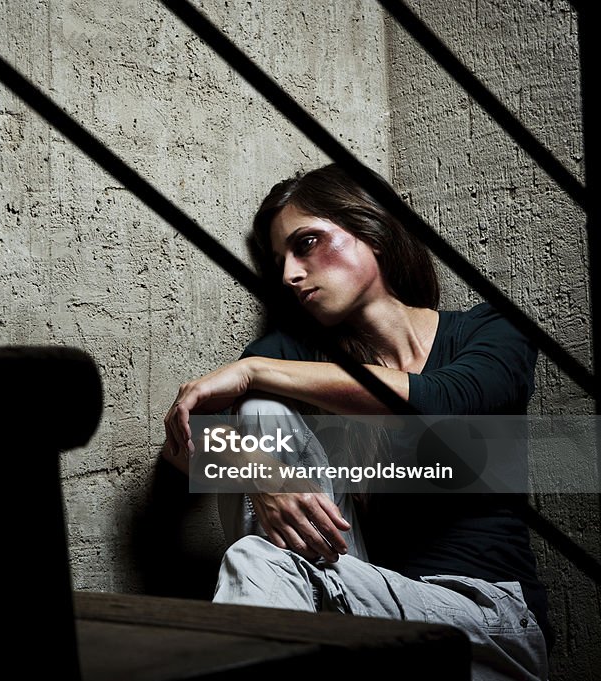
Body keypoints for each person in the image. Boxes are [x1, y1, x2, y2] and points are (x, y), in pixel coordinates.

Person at [160, 164, 550, 680]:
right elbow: (182, 448)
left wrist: (252, 369)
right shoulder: (298, 353)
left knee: (258, 557)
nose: (290, 275)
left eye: (307, 243)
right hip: (359, 594)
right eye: (281, 261)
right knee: (259, 412)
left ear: (373, 229)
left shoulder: (493, 329)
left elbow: (442, 400)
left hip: (487, 619)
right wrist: (261, 474)